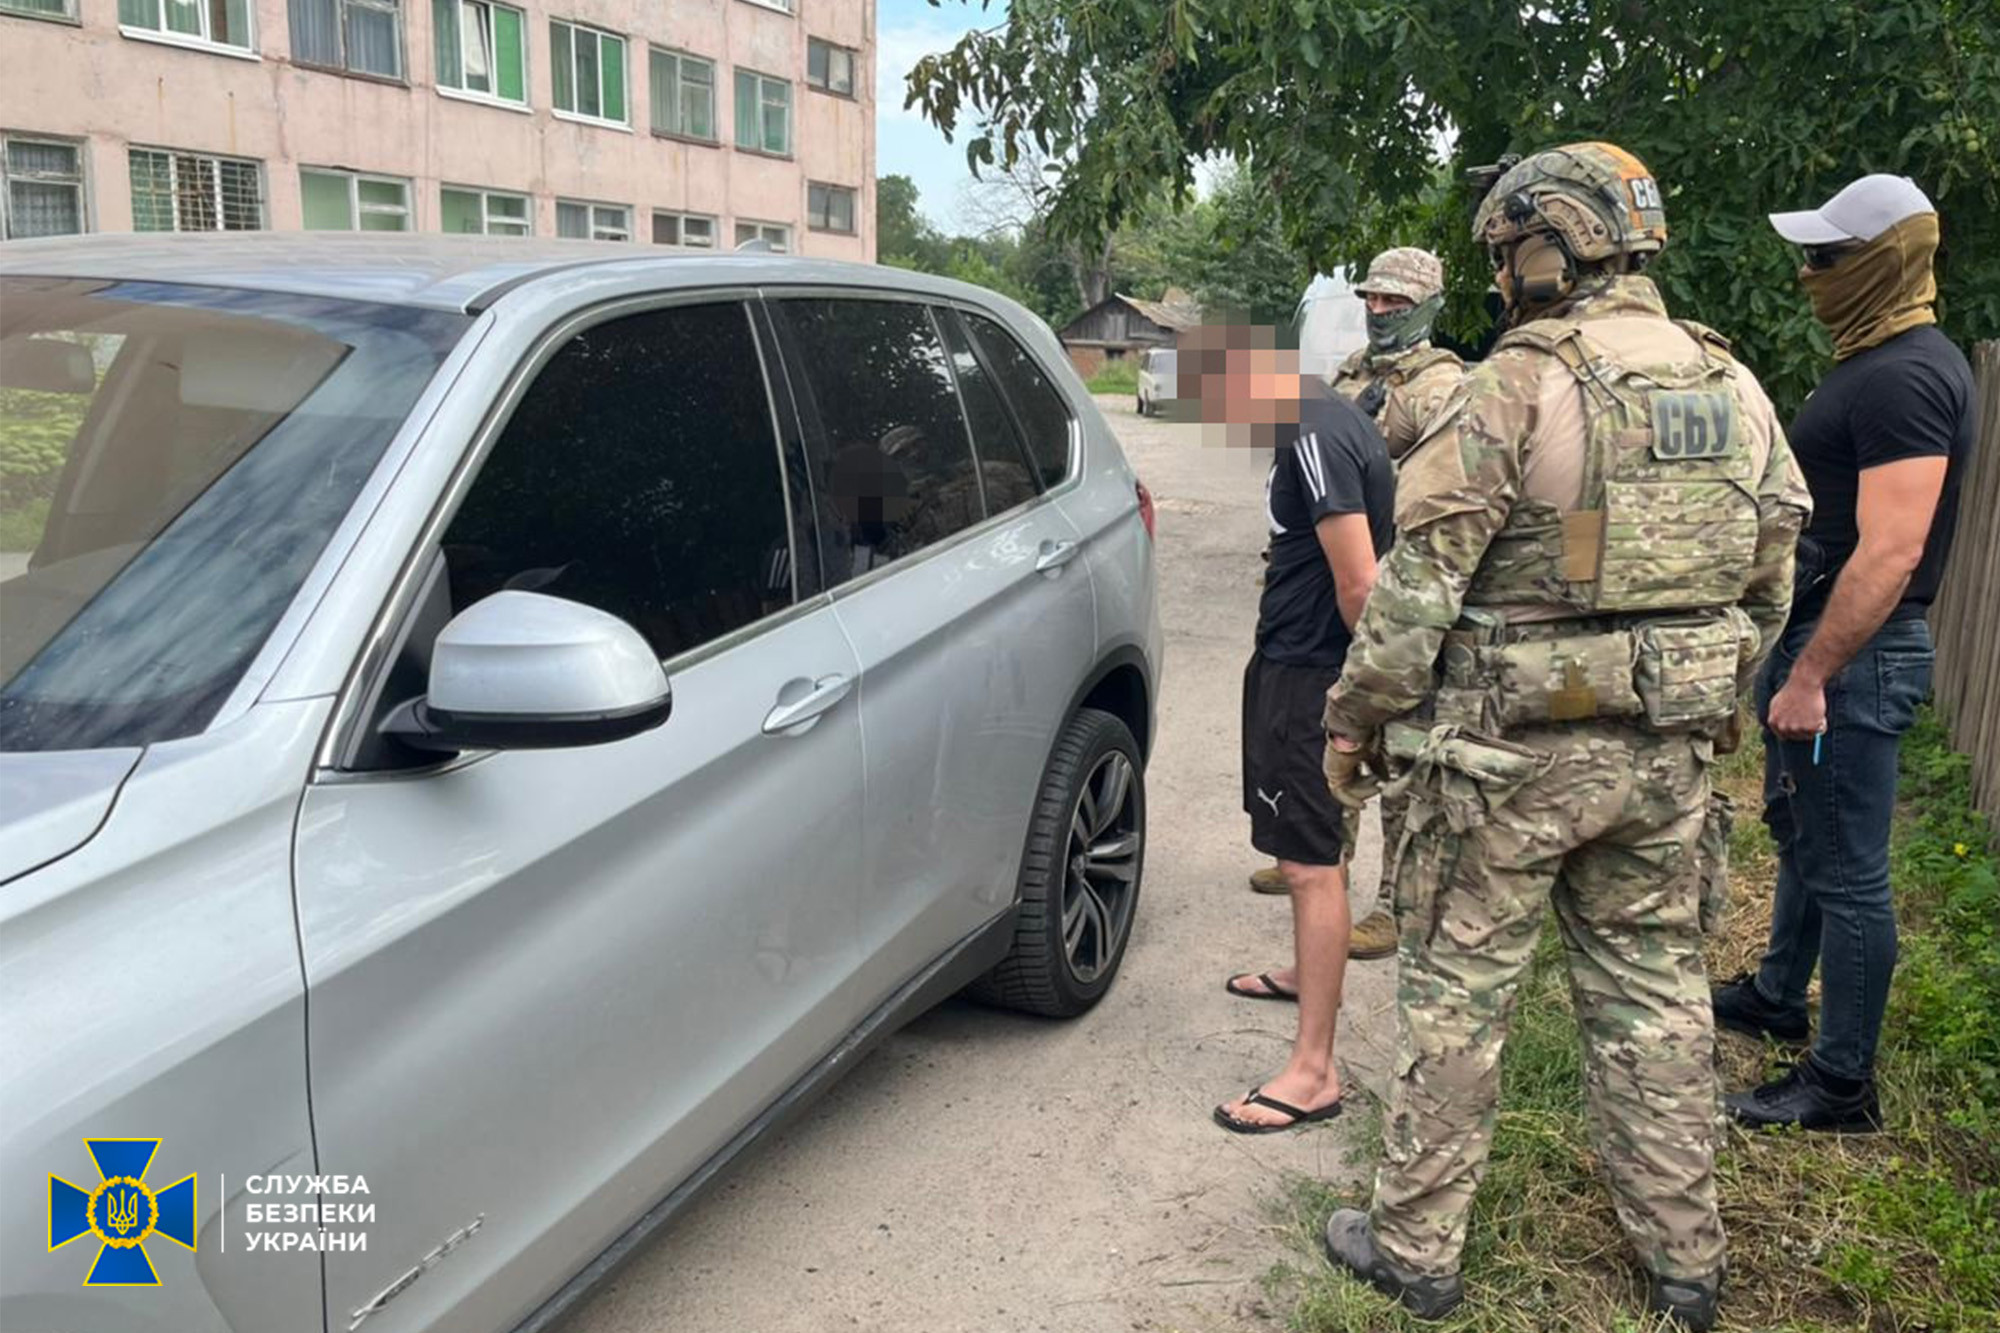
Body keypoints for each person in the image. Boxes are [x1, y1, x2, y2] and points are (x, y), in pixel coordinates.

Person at [1315, 142, 1811, 1330]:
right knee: (1655, 996)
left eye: (1503, 250)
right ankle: (1684, 1264)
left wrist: (1353, 722)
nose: (1497, 275)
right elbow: (1771, 569)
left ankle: (1414, 1250)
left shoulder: (1518, 381)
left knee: (1456, 998)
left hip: (1502, 765)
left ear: (1551, 246)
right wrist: (1700, 691)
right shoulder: (1730, 382)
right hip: (1662, 762)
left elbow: (1418, 586)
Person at [1715, 175, 1975, 1133]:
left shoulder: (1906, 376)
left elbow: (1893, 549)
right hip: (1831, 643)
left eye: (1827, 257)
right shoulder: (1880, 359)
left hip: (1853, 656)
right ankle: (1778, 994)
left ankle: (1840, 1084)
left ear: (1883, 260)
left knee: (1851, 873)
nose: (1810, 274)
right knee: (1807, 837)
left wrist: (1813, 674)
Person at [1179, 323, 1396, 1133]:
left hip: (1313, 673)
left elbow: (1359, 581)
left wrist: (1358, 699)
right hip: (1291, 662)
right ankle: (1311, 974)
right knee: (1304, 849)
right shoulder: (1327, 419)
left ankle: (1314, 1072)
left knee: (1310, 864)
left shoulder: (1314, 432)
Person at [1247, 248, 1466, 965]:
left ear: (1427, 307)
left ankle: (1396, 906)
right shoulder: (1350, 376)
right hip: (1333, 583)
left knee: (1396, 749)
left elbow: (1449, 494)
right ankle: (1318, 857)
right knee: (1329, 734)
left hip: (1398, 587)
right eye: (1373, 299)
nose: (1380, 312)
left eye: (1395, 302)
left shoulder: (1444, 388)